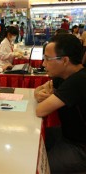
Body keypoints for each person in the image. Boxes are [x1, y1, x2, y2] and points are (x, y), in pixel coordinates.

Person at [34, 34, 86, 173]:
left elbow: (40, 110)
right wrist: (38, 93)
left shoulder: (79, 80)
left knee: (40, 167)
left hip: (80, 147)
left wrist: (46, 96)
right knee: (34, 143)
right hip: (66, 135)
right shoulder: (64, 76)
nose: (43, 64)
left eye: (47, 59)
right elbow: (40, 89)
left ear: (64, 60)